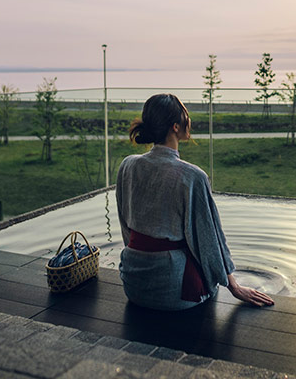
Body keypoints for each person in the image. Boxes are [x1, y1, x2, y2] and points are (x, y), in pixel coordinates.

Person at [116, 93, 274, 311]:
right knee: (209, 282)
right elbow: (208, 238)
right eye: (185, 115)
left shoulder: (128, 166)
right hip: (173, 293)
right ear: (175, 127)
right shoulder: (191, 176)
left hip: (133, 284)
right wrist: (234, 286)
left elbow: (126, 226)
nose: (188, 120)